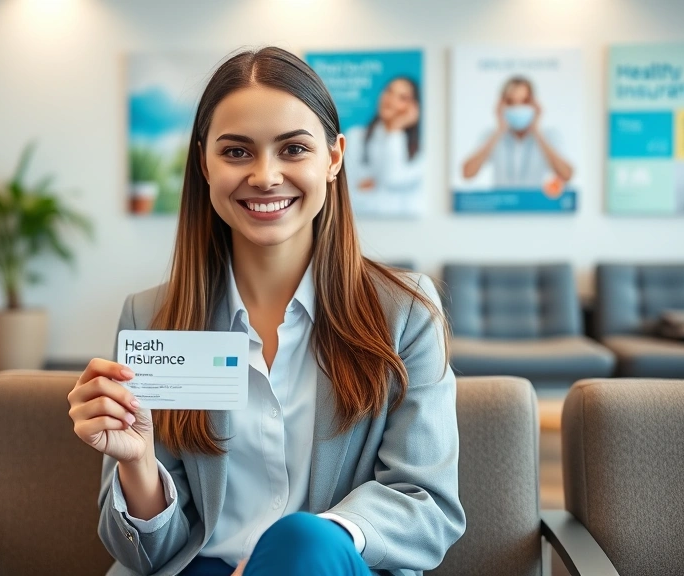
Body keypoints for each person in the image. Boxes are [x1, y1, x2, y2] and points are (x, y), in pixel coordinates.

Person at [68, 47, 465, 576]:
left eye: (293, 149)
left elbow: (427, 507)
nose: (264, 175)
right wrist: (137, 460)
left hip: (325, 565)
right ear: (203, 163)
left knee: (302, 540)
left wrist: (311, 545)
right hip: (201, 568)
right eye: (236, 152)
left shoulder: (405, 313)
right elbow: (146, 554)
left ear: (334, 158)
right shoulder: (151, 316)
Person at [461, 75, 573, 196]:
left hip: (538, 208)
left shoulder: (549, 135)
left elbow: (567, 175)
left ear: (534, 104)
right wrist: (499, 130)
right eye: (510, 102)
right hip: (501, 208)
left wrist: (536, 131)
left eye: (524, 101)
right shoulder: (491, 135)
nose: (518, 107)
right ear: (501, 104)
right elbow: (467, 174)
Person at [344, 76, 423, 215]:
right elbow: (344, 194)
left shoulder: (420, 151)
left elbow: (392, 179)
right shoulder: (355, 136)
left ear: (413, 108)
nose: (390, 100)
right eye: (389, 91)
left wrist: (395, 129)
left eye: (402, 98)